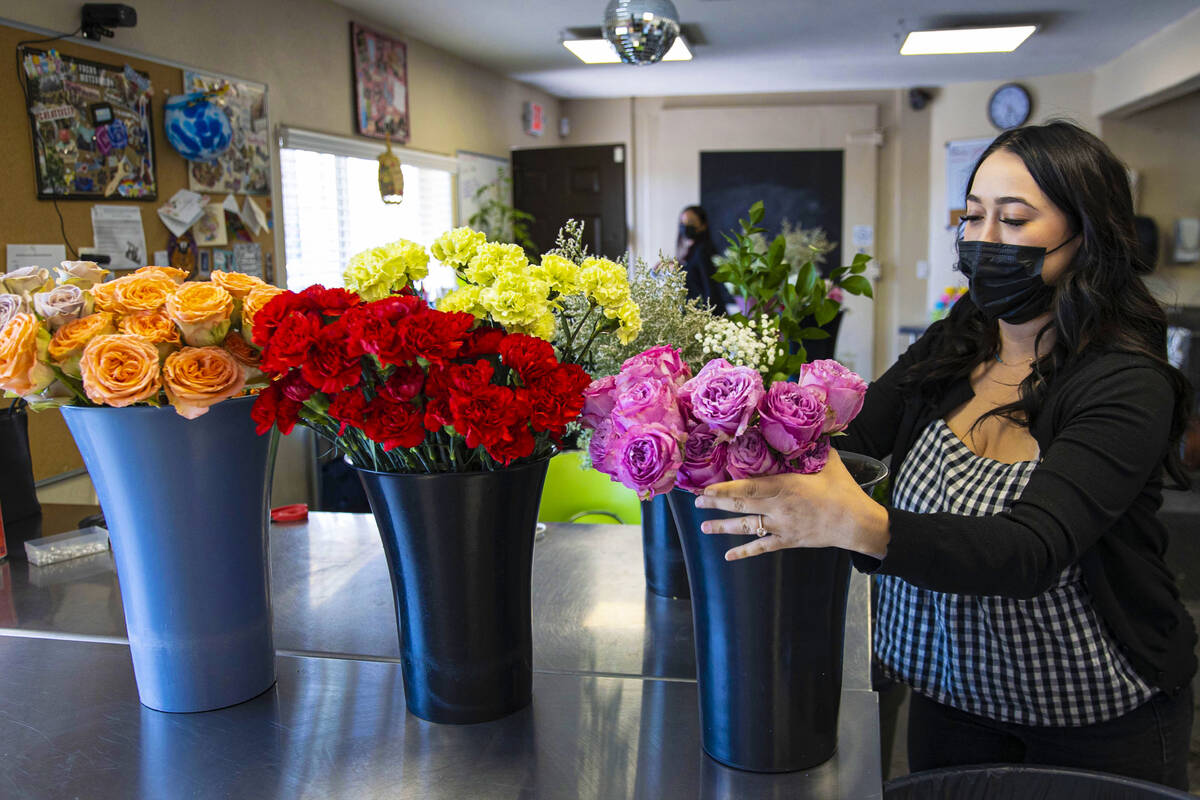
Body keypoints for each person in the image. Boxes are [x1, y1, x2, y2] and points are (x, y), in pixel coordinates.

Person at [692, 121, 1196, 789]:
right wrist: (724, 431)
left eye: (1014, 219)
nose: (985, 238)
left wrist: (858, 524)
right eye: (974, 215)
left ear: (1087, 236)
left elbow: (1031, 551)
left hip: (1094, 719)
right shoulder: (957, 340)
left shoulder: (1125, 383)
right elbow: (850, 448)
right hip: (948, 699)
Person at [676, 205, 733, 314]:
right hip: (694, 314)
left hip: (704, 316)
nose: (686, 226)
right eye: (683, 223)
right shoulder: (692, 251)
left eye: (691, 222)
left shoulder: (703, 251)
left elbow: (711, 289)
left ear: (703, 225)